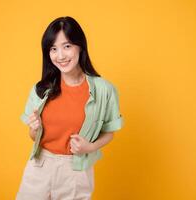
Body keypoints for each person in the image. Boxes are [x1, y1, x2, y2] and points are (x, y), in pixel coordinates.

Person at [16, 16, 124, 200]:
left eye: (67, 46)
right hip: (39, 166)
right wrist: (34, 129)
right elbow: (34, 137)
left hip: (75, 170)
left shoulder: (104, 90)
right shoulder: (41, 89)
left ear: (80, 46)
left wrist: (89, 147)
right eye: (53, 49)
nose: (60, 56)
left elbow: (109, 132)